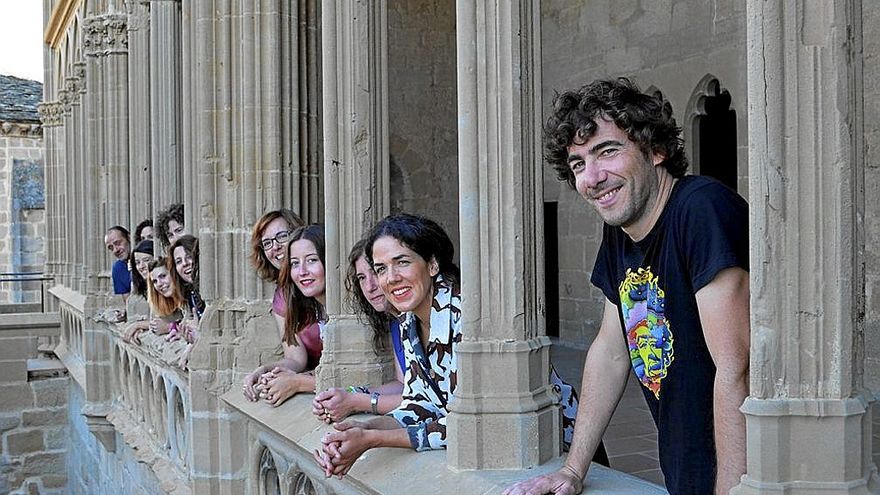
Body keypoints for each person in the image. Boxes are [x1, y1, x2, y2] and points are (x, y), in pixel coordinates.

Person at [503, 78, 749, 495]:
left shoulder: (700, 208)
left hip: (741, 473)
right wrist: (573, 470)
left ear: (656, 151)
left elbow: (736, 367)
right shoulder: (620, 233)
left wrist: (731, 490)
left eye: (607, 151)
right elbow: (610, 351)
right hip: (687, 466)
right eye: (578, 164)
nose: (592, 177)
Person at [314, 214, 460, 478]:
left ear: (432, 264)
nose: (390, 278)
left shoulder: (468, 319)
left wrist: (373, 440)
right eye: (381, 268)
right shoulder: (409, 321)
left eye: (402, 262)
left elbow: (474, 425)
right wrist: (359, 431)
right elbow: (419, 406)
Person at [311, 239, 406, 423]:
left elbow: (428, 400)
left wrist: (356, 402)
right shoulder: (396, 322)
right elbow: (404, 385)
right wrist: (348, 395)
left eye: (376, 272)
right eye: (362, 278)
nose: (370, 287)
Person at [245, 224, 326, 407]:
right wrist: (268, 371)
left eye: (312, 260)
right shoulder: (295, 299)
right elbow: (296, 358)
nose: (302, 271)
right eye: (295, 264)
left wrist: (297, 382)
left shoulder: (351, 309)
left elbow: (355, 374)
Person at [124, 257, 184, 345]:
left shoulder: (188, 296)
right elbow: (157, 323)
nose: (159, 284)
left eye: (163, 276)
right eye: (155, 281)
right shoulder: (163, 300)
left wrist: (169, 327)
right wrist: (140, 326)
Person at [168, 235, 204, 369]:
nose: (185, 263)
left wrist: (198, 336)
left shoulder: (209, 291)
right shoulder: (190, 293)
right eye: (178, 261)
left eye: (189, 256)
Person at [126, 239, 154, 318]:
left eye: (146, 260)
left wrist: (138, 325)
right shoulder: (136, 293)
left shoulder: (164, 288)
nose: (141, 266)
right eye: (137, 263)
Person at [105, 226, 132, 308]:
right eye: (111, 248)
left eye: (118, 243)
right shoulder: (118, 268)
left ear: (129, 238)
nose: (115, 250)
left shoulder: (146, 259)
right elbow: (129, 303)